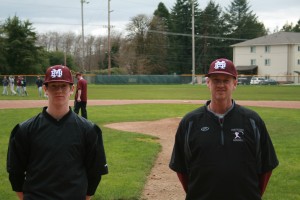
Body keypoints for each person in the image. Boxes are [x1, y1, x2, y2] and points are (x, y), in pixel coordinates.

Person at [169, 58, 279, 200]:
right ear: (208, 83)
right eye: (216, 80)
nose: (221, 85)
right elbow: (182, 169)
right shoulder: (190, 122)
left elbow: (266, 167)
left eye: (226, 80)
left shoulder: (252, 121)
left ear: (235, 83)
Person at [7, 65, 108, 200]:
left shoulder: (89, 130)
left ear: (72, 89)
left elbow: (95, 173)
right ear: (45, 89)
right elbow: (15, 173)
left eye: (63, 86)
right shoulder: (24, 130)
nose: (59, 90)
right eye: (53, 86)